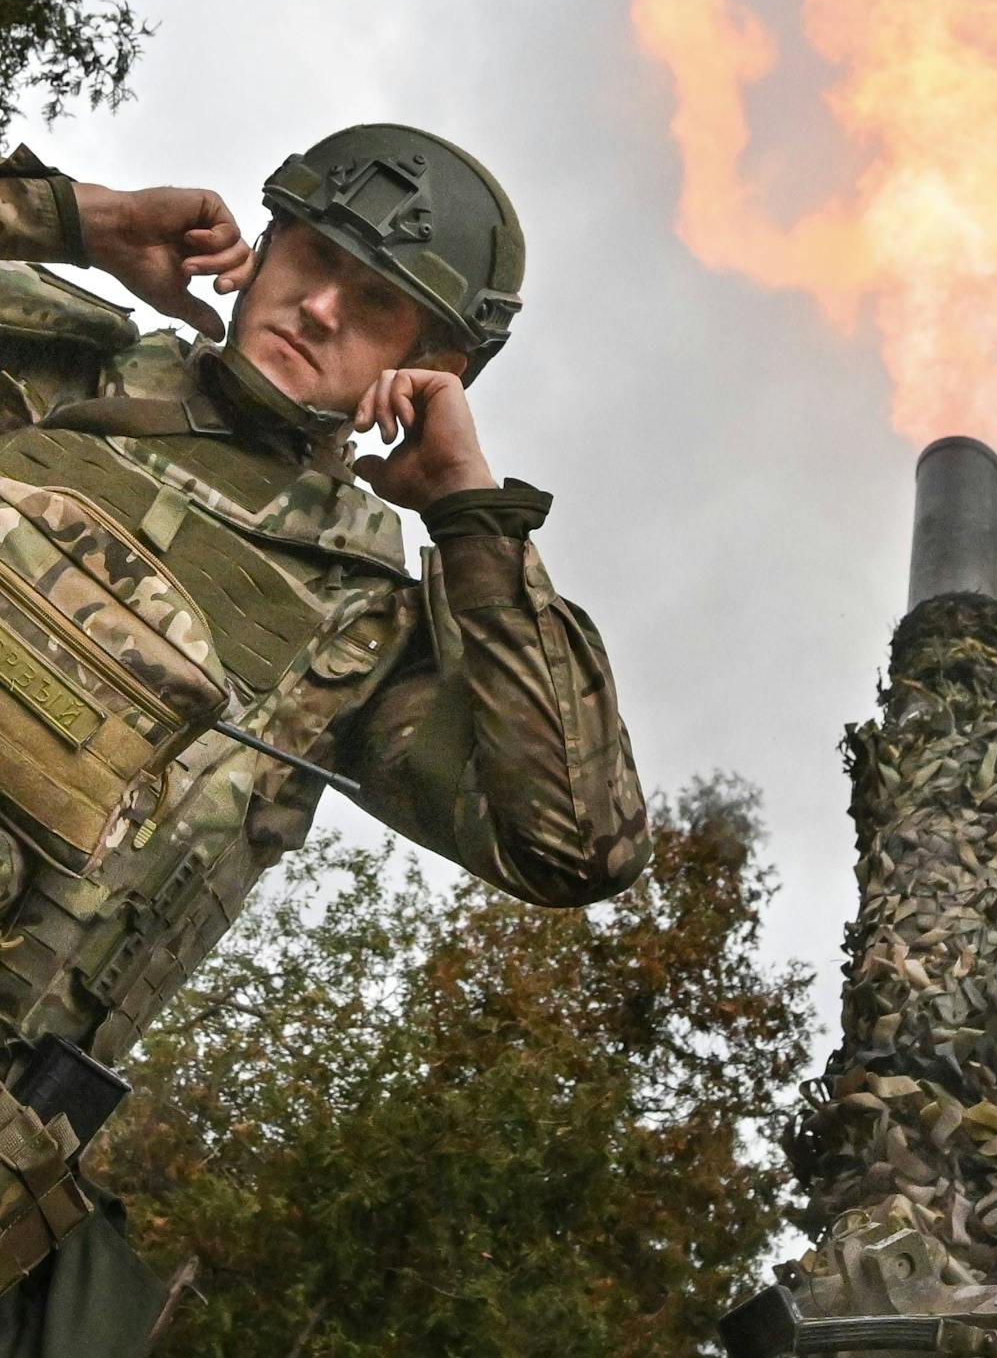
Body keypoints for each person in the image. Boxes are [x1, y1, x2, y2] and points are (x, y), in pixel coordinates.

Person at [0, 126, 651, 1352]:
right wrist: (76, 220)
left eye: (382, 305)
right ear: (260, 247)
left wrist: (470, 513)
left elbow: (577, 840)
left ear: (430, 366)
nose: (322, 304)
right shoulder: (57, 361)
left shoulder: (364, 618)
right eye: (312, 253)